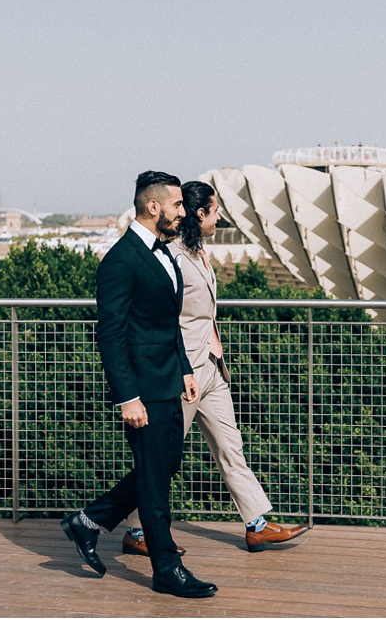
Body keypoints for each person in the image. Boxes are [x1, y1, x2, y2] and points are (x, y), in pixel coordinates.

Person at [121, 180, 309, 557]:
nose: (220, 216)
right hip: (182, 371)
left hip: (211, 366)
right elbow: (162, 318)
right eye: (215, 210)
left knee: (230, 447)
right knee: (165, 456)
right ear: (199, 214)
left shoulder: (200, 250)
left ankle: (256, 524)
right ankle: (136, 530)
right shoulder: (170, 256)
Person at [60, 171, 217, 599]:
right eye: (178, 205)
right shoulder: (121, 260)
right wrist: (127, 396)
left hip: (170, 379)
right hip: (142, 389)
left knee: (162, 468)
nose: (183, 212)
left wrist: (185, 368)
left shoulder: (166, 253)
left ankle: (88, 521)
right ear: (154, 207)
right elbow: (110, 335)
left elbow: (168, 325)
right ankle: (167, 568)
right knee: (154, 480)